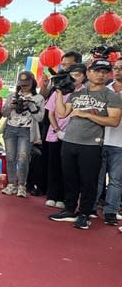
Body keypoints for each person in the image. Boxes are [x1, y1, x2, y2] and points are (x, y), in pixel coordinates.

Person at [50, 59, 122, 230]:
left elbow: (114, 121)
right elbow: (61, 113)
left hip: (91, 144)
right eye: (97, 71)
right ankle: (69, 209)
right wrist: (60, 92)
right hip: (69, 140)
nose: (101, 74)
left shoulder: (111, 96)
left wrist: (87, 115)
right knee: (70, 178)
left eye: (105, 72)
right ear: (88, 73)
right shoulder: (77, 93)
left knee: (89, 181)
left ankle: (84, 213)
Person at [45, 64, 86, 209]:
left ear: (84, 76)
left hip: (73, 135)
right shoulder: (59, 91)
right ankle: (52, 195)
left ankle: (64, 197)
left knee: (68, 168)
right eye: (73, 74)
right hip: (55, 134)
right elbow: (50, 112)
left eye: (78, 75)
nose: (75, 78)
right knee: (53, 165)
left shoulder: (84, 92)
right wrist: (57, 130)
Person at [0, 71, 46, 198]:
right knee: (10, 157)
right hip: (10, 128)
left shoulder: (38, 98)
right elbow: (4, 113)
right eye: (22, 84)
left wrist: (31, 105)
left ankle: (22, 185)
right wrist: (11, 106)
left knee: (23, 158)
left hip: (26, 130)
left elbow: (40, 118)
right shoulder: (12, 96)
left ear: (32, 83)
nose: (24, 86)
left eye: (27, 84)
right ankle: (11, 184)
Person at [96, 59, 122, 225]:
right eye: (116, 68)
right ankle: (90, 207)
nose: (118, 71)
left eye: (121, 68)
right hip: (100, 139)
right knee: (96, 178)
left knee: (116, 180)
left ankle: (111, 211)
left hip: (120, 143)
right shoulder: (104, 89)